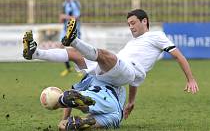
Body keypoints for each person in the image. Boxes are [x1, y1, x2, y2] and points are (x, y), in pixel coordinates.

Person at [22, 9, 199, 121]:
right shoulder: (132, 44)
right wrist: (131, 102)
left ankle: (73, 39)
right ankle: (35, 53)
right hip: (113, 73)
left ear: (145, 21)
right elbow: (135, 83)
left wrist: (190, 79)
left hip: (124, 70)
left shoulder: (157, 36)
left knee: (106, 55)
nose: (130, 27)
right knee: (76, 55)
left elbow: (178, 56)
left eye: (133, 23)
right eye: (128, 24)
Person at [53, 73, 126, 130]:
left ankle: (80, 105)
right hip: (115, 114)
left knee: (79, 95)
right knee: (87, 122)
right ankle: (77, 123)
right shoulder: (121, 85)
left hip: (101, 95)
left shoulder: (92, 74)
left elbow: (71, 91)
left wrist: (64, 119)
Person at [59, 0, 81, 77]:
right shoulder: (64, 4)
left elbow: (77, 17)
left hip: (75, 30)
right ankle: (68, 68)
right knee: (61, 47)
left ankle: (79, 69)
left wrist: (65, 17)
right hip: (65, 30)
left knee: (76, 50)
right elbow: (61, 19)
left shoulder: (75, 3)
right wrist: (62, 18)